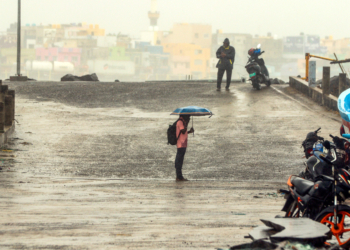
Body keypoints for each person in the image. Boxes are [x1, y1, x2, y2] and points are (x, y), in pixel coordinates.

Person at [175, 115, 194, 181]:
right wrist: (187, 123)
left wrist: (189, 131)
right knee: (179, 160)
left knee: (181, 160)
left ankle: (179, 176)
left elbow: (184, 132)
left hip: (183, 144)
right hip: (181, 144)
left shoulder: (182, 122)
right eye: (188, 117)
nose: (188, 118)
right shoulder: (180, 122)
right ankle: (179, 176)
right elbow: (183, 131)